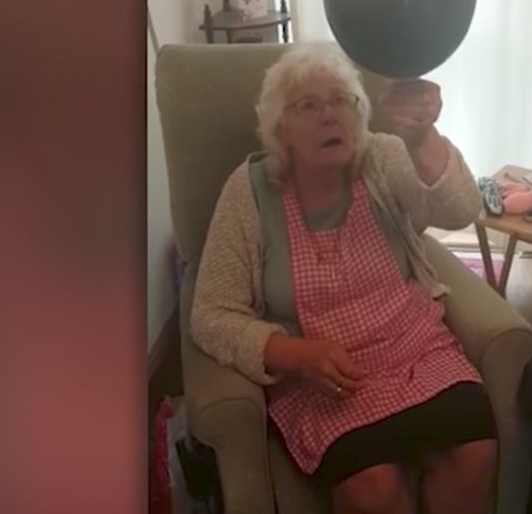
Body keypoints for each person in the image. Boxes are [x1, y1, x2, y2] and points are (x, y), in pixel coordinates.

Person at [190, 43, 497, 514]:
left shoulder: (382, 157)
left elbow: (460, 210)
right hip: (324, 379)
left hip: (414, 348)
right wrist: (293, 354)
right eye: (308, 106)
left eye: (341, 101)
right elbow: (211, 314)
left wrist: (422, 138)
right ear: (280, 129)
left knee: (474, 454)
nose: (330, 116)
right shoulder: (248, 192)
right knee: (374, 489)